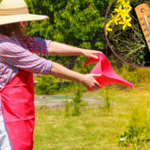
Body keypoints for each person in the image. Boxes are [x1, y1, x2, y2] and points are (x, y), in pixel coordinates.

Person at [0, 0, 102, 149]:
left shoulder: (16, 39)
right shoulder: (5, 46)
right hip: (7, 112)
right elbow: (46, 66)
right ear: (12, 23)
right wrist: (82, 78)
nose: (26, 24)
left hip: (18, 109)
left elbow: (46, 45)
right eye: (23, 20)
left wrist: (81, 51)